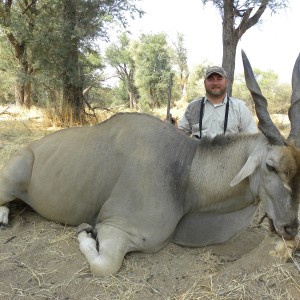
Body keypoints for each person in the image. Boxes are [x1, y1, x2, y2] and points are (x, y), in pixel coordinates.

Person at [178, 66, 257, 139]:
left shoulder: (240, 108)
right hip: (198, 153)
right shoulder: (193, 106)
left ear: (226, 82)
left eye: (219, 79)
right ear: (205, 82)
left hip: (230, 154)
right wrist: (172, 128)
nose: (215, 83)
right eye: (210, 79)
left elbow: (251, 138)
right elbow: (180, 136)